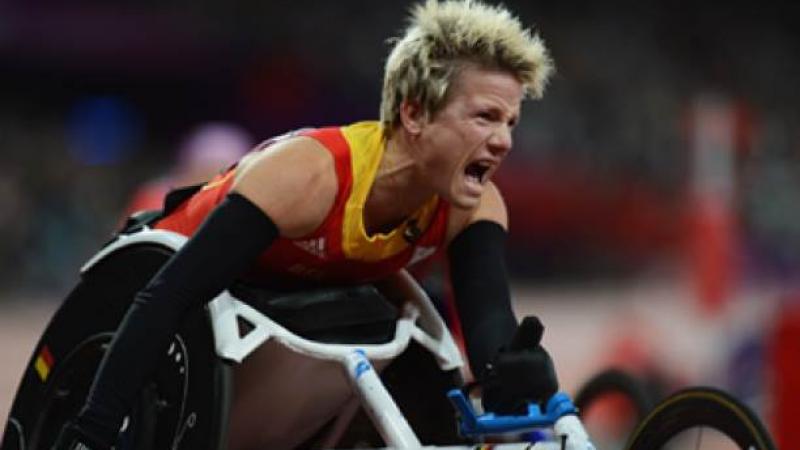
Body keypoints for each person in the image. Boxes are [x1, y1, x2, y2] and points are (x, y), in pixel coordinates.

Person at [54, 1, 558, 448]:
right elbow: (167, 297)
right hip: (174, 278)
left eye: (510, 122)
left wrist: (511, 368)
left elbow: (488, 319)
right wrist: (93, 431)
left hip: (299, 314)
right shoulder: (311, 174)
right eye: (485, 117)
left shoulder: (474, 202)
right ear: (414, 113)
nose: (503, 140)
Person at [123, 122, 253, 216]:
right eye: (205, 170)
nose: (214, 180)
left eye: (224, 174)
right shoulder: (156, 199)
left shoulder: (247, 207)